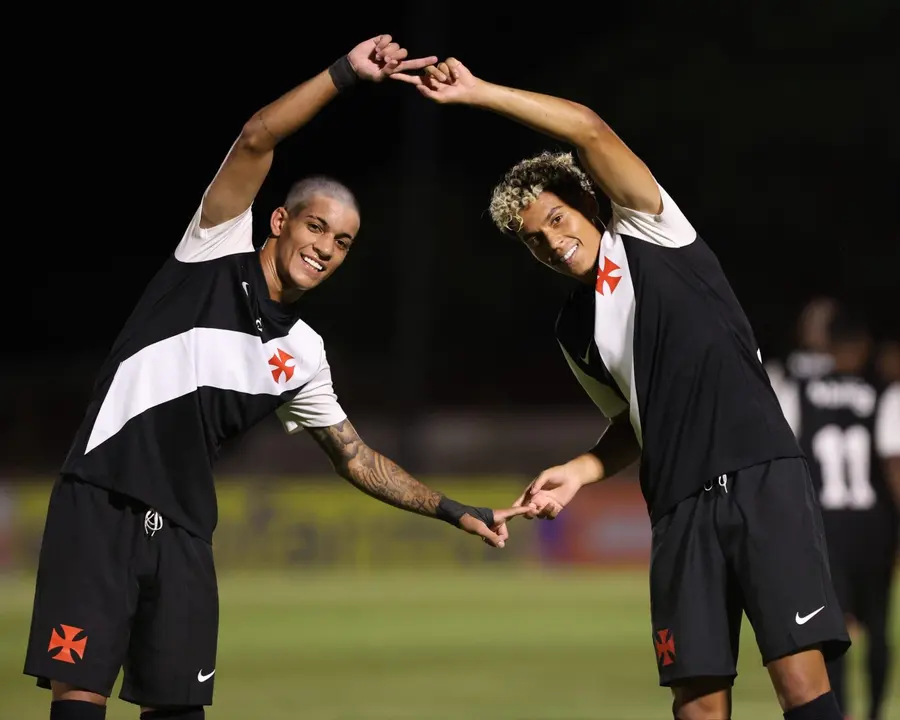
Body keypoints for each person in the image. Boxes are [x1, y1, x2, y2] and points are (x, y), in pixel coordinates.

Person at [24, 37, 531, 720]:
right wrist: (346, 75)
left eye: (343, 242)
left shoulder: (303, 353)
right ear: (280, 221)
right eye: (317, 227)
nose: (325, 248)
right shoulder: (210, 252)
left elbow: (356, 458)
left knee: (178, 709)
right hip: (99, 504)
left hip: (184, 533)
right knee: (79, 697)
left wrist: (452, 509)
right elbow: (258, 135)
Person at [392, 58, 851, 719]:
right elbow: (632, 425)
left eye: (556, 218)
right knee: (697, 705)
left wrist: (478, 92)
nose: (551, 241)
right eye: (533, 241)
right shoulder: (572, 329)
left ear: (585, 200)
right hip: (676, 509)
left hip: (759, 477)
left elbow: (589, 128)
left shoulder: (649, 230)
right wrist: (578, 471)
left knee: (800, 685)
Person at [776, 307, 900, 720]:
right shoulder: (885, 391)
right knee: (879, 628)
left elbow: (785, 456)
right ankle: (877, 710)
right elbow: (892, 461)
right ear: (864, 347)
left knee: (832, 629)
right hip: (874, 528)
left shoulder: (802, 390)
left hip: (824, 528)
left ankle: (841, 712)